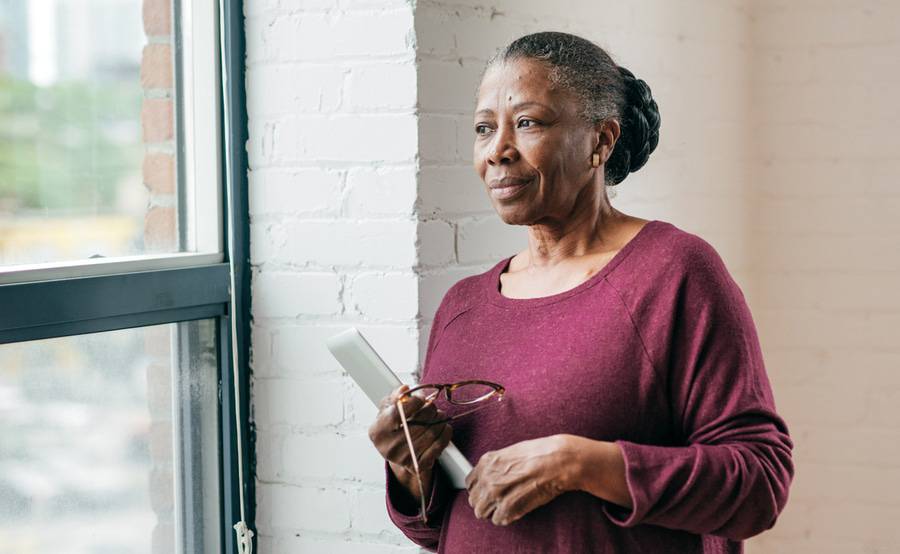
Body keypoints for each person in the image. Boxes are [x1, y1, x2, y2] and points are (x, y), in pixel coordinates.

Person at [367, 31, 794, 553]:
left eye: (527, 123)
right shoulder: (463, 306)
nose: (498, 150)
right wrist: (410, 466)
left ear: (601, 140)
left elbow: (759, 484)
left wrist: (581, 463)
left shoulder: (674, 272)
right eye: (484, 128)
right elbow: (445, 527)